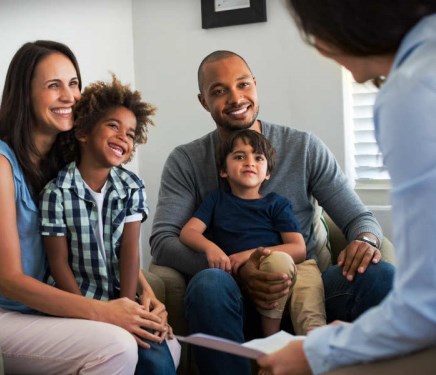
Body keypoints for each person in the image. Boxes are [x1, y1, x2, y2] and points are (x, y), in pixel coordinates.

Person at [150, 49, 395, 374]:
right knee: (209, 284)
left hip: (309, 286)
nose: (236, 98)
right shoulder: (187, 161)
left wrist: (366, 241)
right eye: (219, 91)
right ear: (203, 101)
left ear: (255, 85)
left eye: (242, 85)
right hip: (229, 293)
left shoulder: (304, 148)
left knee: (379, 275)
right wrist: (236, 269)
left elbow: (359, 219)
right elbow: (164, 240)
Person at [0, 40, 168, 374]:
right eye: (53, 85)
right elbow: (9, 280)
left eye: (73, 83)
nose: (69, 96)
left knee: (165, 344)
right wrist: (105, 312)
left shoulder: (65, 163)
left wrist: (143, 295)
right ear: (25, 94)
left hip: (43, 311)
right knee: (118, 346)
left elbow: (102, 240)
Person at [256, 1, 436, 374]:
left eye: (313, 32)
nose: (319, 48)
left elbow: (424, 305)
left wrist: (322, 350)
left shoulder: (411, 90)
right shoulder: (190, 161)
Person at [39, 76, 180, 373]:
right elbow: (58, 263)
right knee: (141, 353)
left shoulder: (132, 187)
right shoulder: (56, 192)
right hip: (75, 303)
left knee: (157, 353)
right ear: (83, 131)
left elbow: (130, 252)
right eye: (113, 126)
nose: (122, 137)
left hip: (122, 298)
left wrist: (128, 309)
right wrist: (87, 313)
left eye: (130, 133)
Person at [180, 129, 325, 337]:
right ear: (223, 170)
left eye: (258, 158)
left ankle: (314, 350)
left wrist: (245, 255)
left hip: (293, 267)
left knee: (308, 301)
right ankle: (270, 344)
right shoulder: (216, 200)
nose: (249, 162)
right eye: (240, 156)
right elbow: (188, 232)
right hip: (248, 274)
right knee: (276, 263)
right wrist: (210, 248)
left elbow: (298, 249)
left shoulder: (276, 203)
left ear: (267, 173)